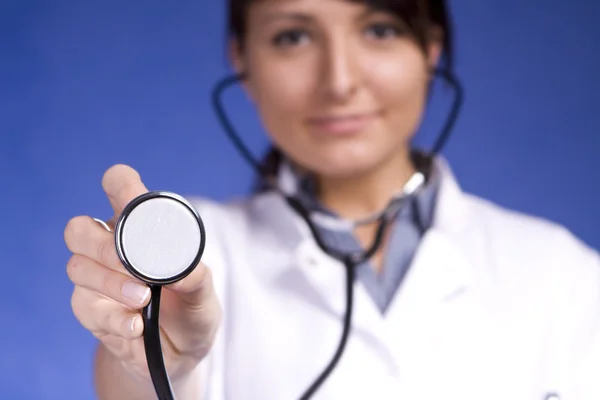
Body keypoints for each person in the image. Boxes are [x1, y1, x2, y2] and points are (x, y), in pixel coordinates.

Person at [64, 0, 600, 399]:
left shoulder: (565, 274)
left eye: (381, 29)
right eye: (293, 37)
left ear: (431, 51)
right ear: (242, 61)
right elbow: (134, 382)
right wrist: (152, 361)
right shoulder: (196, 260)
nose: (340, 80)